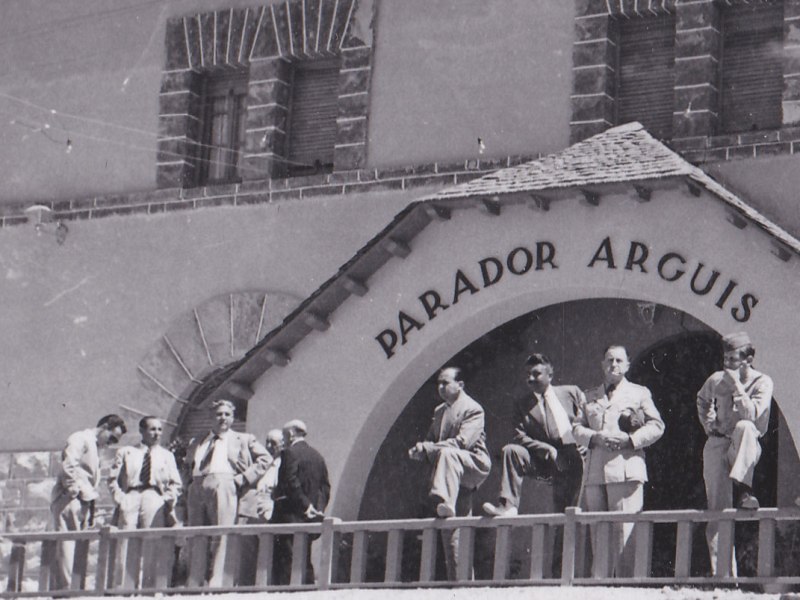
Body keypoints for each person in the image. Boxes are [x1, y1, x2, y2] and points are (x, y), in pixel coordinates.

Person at [482, 353, 585, 576]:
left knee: (567, 515)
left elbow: (587, 418)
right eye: (527, 374)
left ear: (550, 374)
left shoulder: (571, 393)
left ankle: (564, 573)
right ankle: (508, 504)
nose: (531, 378)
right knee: (511, 451)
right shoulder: (522, 404)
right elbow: (518, 435)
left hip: (574, 458)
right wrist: (545, 448)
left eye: (536, 373)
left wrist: (583, 438)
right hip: (544, 458)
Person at [573, 345, 664, 578]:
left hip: (626, 469)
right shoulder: (589, 395)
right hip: (596, 472)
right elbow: (576, 428)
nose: (614, 365)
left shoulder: (639, 393)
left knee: (626, 533)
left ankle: (628, 588)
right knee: (598, 534)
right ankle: (600, 586)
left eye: (619, 360)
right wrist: (594, 437)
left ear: (627, 365)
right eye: (609, 360)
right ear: (602, 364)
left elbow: (657, 426)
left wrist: (630, 440)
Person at [696, 331, 773, 576]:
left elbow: (752, 415)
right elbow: (702, 400)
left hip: (745, 445)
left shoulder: (762, 382)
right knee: (718, 512)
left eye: (734, 359)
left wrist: (738, 387)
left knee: (744, 426)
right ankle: (725, 578)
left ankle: (743, 487)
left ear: (748, 359)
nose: (728, 364)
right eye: (725, 359)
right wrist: (709, 425)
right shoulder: (716, 380)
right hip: (719, 445)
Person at [408, 366, 491, 580]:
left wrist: (429, 449)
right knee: (453, 530)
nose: (441, 387)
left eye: (446, 382)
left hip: (472, 464)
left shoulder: (473, 409)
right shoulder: (439, 411)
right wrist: (420, 449)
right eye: (439, 383)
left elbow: (462, 443)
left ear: (460, 385)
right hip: (451, 475)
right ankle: (461, 583)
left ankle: (442, 498)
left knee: (448, 453)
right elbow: (431, 440)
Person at [184, 399, 271, 587]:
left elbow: (265, 458)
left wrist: (243, 478)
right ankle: (195, 580)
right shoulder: (198, 440)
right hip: (198, 485)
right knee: (196, 533)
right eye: (218, 414)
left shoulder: (243, 439)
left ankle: (219, 580)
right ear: (211, 416)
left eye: (227, 414)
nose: (222, 418)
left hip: (224, 483)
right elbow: (188, 464)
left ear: (232, 418)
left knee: (221, 533)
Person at [50, 414, 127, 589]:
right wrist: (72, 488)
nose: (111, 444)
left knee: (76, 544)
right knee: (67, 545)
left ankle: (73, 588)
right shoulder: (80, 438)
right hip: (70, 498)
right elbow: (69, 464)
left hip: (83, 499)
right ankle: (66, 591)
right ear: (105, 427)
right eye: (112, 438)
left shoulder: (93, 445)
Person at [108, 416, 182, 587]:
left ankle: (149, 590)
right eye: (152, 429)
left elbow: (176, 483)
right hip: (131, 496)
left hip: (154, 497)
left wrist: (166, 500)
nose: (156, 433)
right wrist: (120, 499)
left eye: (159, 429)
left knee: (153, 543)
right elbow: (112, 479)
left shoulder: (167, 455)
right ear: (142, 431)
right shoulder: (127, 452)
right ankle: (124, 589)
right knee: (126, 543)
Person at [271, 420, 331, 585]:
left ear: (290, 434)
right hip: (309, 517)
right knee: (305, 559)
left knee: (287, 561)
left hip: (290, 514)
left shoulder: (289, 453)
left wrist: (306, 506)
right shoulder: (318, 456)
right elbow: (324, 487)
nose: (284, 440)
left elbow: (290, 482)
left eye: (284, 436)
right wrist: (317, 509)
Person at [236, 428, 283, 586]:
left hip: (269, 510)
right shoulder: (262, 462)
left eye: (274, 443)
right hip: (251, 511)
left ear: (282, 445)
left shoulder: (283, 465)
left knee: (266, 551)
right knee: (247, 553)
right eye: (267, 442)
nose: (269, 445)